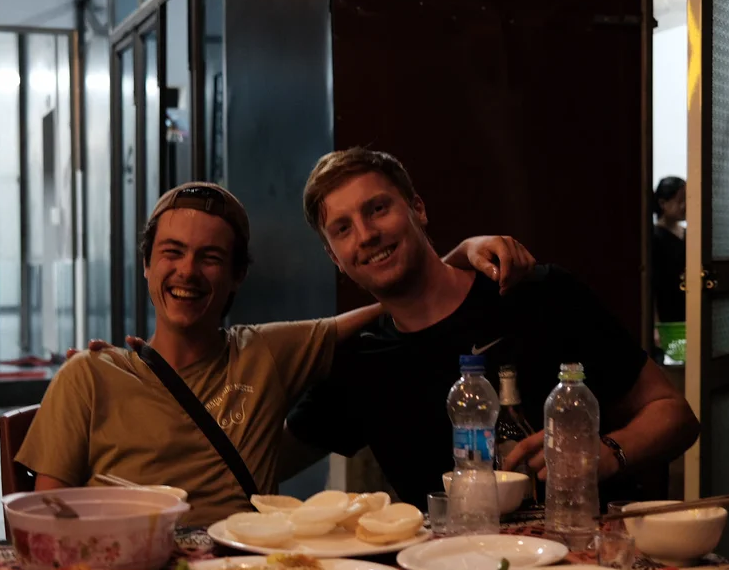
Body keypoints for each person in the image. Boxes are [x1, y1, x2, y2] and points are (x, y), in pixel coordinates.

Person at [15, 182, 535, 526]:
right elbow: (43, 518)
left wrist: (459, 252)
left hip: (245, 569)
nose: (188, 272)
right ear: (147, 264)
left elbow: (398, 299)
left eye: (211, 258)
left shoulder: (266, 351)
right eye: (171, 253)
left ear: (238, 274)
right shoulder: (88, 374)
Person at [286, 148, 699, 507]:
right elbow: (261, 458)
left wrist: (608, 453)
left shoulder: (536, 293)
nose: (367, 234)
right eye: (343, 228)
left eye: (378, 208)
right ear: (334, 256)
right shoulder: (360, 362)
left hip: (579, 565)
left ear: (418, 209)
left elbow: (675, 415)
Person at [651, 177, 686, 344]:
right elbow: (652, 285)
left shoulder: (687, 234)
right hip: (666, 313)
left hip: (686, 309)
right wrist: (655, 325)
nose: (685, 206)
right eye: (680, 200)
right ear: (663, 203)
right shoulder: (654, 237)